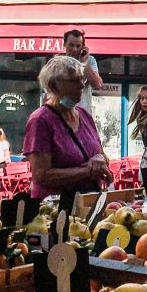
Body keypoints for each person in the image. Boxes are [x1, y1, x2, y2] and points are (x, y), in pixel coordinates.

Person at [23, 56, 111, 199]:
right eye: (74, 81)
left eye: (82, 79)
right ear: (54, 85)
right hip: (56, 210)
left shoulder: (84, 116)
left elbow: (100, 154)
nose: (82, 85)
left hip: (88, 204)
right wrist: (86, 171)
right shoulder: (40, 120)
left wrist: (101, 160)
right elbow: (41, 175)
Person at [63, 28, 104, 110]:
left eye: (78, 46)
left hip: (82, 114)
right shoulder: (58, 62)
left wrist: (84, 63)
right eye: (71, 45)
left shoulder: (90, 60)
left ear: (83, 47)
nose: (74, 49)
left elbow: (98, 85)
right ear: (64, 44)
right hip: (61, 114)